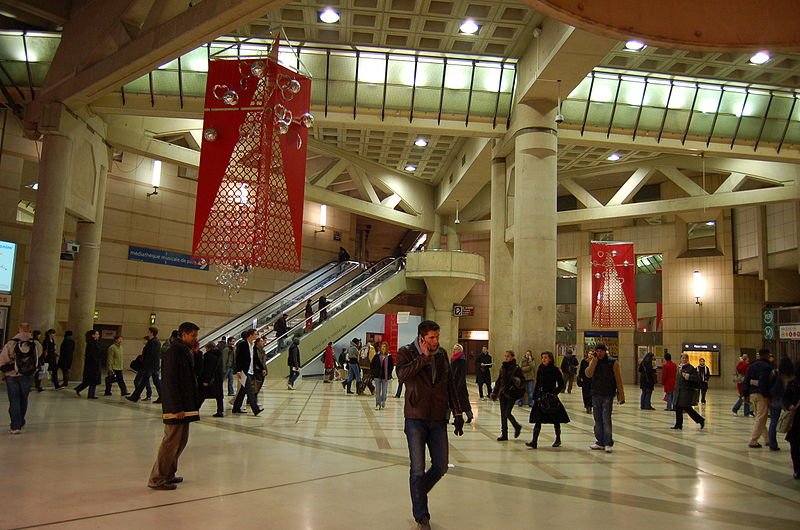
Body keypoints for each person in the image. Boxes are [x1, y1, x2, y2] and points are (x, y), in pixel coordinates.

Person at [395, 320, 463, 529]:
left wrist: (458, 412)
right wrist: (423, 358)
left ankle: (418, 491)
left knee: (441, 465)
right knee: (417, 468)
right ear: (422, 338)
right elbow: (401, 375)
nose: (436, 341)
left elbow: (450, 384)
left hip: (438, 418)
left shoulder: (442, 354)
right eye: (432, 338)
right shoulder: (406, 352)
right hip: (415, 417)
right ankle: (422, 516)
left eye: (437, 337)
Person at [147, 322, 200, 490]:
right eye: (193, 335)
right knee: (170, 442)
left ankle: (169, 474)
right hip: (176, 408)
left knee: (180, 441)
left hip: (185, 405)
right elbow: (170, 382)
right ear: (183, 334)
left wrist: (197, 354)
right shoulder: (173, 353)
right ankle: (157, 478)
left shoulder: (185, 351)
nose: (195, 338)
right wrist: (176, 408)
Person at [0, 322, 41, 434]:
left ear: (18, 330)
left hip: (12, 375)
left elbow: (2, 360)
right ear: (29, 330)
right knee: (23, 398)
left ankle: (15, 426)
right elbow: (39, 356)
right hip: (27, 375)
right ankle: (21, 420)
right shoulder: (35, 344)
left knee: (14, 400)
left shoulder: (11, 343)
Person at [585, 343, 625, 453]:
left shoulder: (612, 362)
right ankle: (600, 441)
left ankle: (608, 442)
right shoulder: (594, 361)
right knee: (597, 418)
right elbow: (588, 374)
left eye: (601, 351)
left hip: (607, 394)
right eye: (597, 351)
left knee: (606, 418)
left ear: (604, 351)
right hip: (596, 393)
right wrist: (593, 362)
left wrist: (621, 395)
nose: (599, 353)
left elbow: (618, 379)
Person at [527, 351, 570, 448]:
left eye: (546, 357)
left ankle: (558, 439)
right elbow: (538, 383)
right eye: (542, 357)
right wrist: (535, 396)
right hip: (541, 397)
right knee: (538, 419)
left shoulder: (555, 370)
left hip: (551, 398)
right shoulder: (540, 368)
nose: (543, 359)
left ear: (550, 359)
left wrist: (554, 393)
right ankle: (534, 441)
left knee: (556, 419)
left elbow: (561, 383)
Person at [490, 350, 525, 441]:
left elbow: (522, 380)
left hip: (511, 394)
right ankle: (504, 434)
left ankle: (517, 426)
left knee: (507, 412)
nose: (506, 358)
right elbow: (499, 380)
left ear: (512, 357)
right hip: (503, 393)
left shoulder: (516, 368)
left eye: (508, 356)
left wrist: (516, 380)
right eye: (505, 356)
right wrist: (495, 392)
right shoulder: (503, 367)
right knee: (503, 415)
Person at [744, 348, 774, 448]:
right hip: (761, 395)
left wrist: (746, 395)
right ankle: (753, 440)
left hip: (752, 394)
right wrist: (766, 396)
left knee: (760, 417)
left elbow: (746, 380)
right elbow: (764, 382)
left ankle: (767, 439)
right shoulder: (767, 366)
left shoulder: (751, 366)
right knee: (761, 418)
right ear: (766, 355)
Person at [232, 329, 265, 414]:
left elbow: (255, 359)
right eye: (255, 334)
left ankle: (236, 408)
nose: (257, 335)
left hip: (251, 371)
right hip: (244, 371)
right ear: (250, 335)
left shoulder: (253, 345)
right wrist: (238, 370)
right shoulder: (243, 344)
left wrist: (262, 368)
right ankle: (255, 409)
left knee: (242, 391)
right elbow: (238, 358)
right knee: (250, 390)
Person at [126, 327, 162, 403]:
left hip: (150, 366)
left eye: (148, 332)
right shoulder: (156, 341)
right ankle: (162, 397)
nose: (147, 333)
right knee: (155, 382)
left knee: (144, 381)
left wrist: (145, 365)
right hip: (154, 366)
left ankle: (135, 397)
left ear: (152, 333)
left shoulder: (153, 342)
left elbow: (151, 355)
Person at [672, 354, 705, 430]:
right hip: (679, 391)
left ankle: (700, 420)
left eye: (686, 358)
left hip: (686, 391)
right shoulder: (679, 367)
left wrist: (688, 376)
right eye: (683, 358)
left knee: (687, 407)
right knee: (678, 407)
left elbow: (697, 378)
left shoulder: (690, 368)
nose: (684, 359)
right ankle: (678, 424)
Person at [768, 357, 794, 451]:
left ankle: (773, 444)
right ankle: (792, 440)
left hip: (775, 398)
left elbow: (769, 384)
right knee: (791, 419)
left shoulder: (775, 372)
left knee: (773, 421)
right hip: (787, 400)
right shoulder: (792, 375)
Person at [782, 363, 800, 479]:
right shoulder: (793, 384)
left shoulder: (793, 383)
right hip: (796, 419)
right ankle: (797, 469)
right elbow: (786, 398)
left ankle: (797, 469)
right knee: (796, 445)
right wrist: (789, 406)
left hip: (796, 420)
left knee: (795, 445)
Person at [449, 343, 473, 422]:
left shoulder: (461, 360)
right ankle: (448, 418)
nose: (454, 350)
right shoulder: (453, 359)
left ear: (459, 350)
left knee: (462, 402)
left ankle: (469, 415)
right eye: (454, 349)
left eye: (455, 349)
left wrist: (459, 385)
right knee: (451, 402)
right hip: (453, 383)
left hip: (459, 385)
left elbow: (462, 374)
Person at [200, 342, 224, 418]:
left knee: (202, 394)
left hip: (211, 379)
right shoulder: (219, 354)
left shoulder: (208, 356)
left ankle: (195, 409)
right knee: (219, 395)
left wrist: (206, 380)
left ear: (208, 348)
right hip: (218, 378)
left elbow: (208, 369)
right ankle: (220, 410)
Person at [75, 330, 101, 399]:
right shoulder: (91, 344)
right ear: (93, 335)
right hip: (92, 365)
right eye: (97, 334)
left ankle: (79, 389)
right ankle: (90, 394)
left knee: (90, 380)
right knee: (92, 380)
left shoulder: (95, 343)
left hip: (94, 364)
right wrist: (96, 362)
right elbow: (91, 355)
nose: (98, 335)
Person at [371, 341, 394, 410]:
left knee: (384, 392)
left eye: (385, 347)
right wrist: (374, 372)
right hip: (377, 376)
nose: (383, 348)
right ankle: (378, 404)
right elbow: (372, 365)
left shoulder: (389, 357)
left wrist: (389, 373)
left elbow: (391, 366)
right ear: (380, 347)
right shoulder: (377, 356)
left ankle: (383, 400)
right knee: (377, 391)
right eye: (382, 346)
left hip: (385, 377)